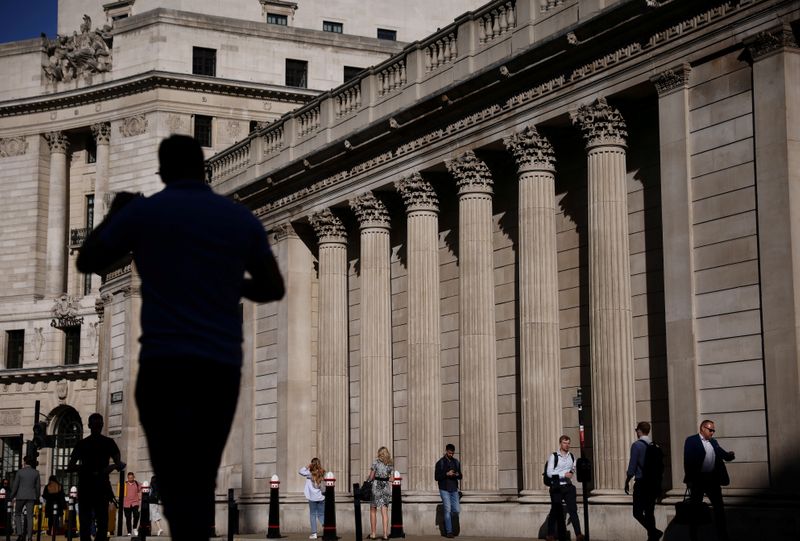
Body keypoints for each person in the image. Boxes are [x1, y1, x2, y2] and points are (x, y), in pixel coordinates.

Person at [77, 134, 285, 541]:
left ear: (165, 172)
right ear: (203, 170)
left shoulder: (148, 213)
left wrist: (115, 215)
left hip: (165, 361)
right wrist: (229, 286)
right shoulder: (238, 218)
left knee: (172, 474)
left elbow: (90, 260)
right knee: (202, 469)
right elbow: (271, 287)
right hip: (218, 364)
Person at [67, 413, 126, 541]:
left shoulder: (82, 444)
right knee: (102, 521)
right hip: (101, 485)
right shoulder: (109, 442)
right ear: (102, 425)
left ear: (88, 425)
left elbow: (70, 467)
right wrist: (109, 468)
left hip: (86, 485)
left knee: (85, 522)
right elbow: (119, 463)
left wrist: (85, 469)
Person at [683, 420, 735, 541]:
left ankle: (723, 536)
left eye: (713, 430)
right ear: (702, 428)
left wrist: (729, 455)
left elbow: (722, 454)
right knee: (695, 511)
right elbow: (688, 461)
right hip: (698, 481)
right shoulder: (691, 440)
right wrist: (689, 479)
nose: (712, 432)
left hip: (712, 481)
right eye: (710, 430)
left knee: (719, 509)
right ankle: (693, 537)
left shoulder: (713, 442)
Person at [625, 421, 662, 541]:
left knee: (637, 512)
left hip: (642, 483)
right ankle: (652, 537)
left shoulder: (637, 445)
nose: (636, 432)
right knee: (650, 512)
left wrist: (627, 480)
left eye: (636, 430)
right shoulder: (655, 445)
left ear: (639, 431)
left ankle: (654, 532)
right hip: (653, 483)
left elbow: (632, 466)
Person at [545, 435, 583, 541]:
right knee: (556, 511)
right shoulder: (554, 456)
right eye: (565, 443)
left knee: (573, 510)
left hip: (568, 487)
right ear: (560, 443)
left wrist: (571, 472)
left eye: (568, 443)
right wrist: (563, 475)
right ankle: (550, 534)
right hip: (556, 487)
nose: (567, 445)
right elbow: (549, 473)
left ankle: (579, 534)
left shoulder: (571, 456)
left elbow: (573, 467)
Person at [434, 443, 462, 539]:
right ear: (446, 451)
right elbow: (436, 477)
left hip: (454, 489)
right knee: (447, 509)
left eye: (452, 453)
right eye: (450, 453)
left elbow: (460, 476)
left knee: (456, 510)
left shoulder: (456, 462)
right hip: (444, 489)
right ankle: (449, 531)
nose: (451, 455)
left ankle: (446, 520)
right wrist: (446, 474)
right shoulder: (440, 463)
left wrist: (456, 474)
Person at [10, 455, 40, 541]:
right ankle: (30, 537)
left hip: (20, 496)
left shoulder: (20, 472)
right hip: (31, 496)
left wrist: (11, 496)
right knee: (30, 516)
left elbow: (15, 486)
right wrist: (37, 497)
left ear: (24, 462)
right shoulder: (36, 472)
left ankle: (20, 534)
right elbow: (37, 487)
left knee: (18, 514)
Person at [366, 447, 393, 540]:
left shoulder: (376, 462)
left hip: (376, 487)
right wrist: (386, 478)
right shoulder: (390, 464)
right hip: (385, 488)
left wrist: (368, 479)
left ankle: (373, 534)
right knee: (384, 511)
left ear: (379, 453)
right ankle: (385, 535)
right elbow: (392, 479)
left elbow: (372, 476)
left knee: (373, 509)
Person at [298, 458, 326, 539]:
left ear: (312, 464)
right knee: (321, 514)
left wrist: (307, 466)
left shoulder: (309, 474)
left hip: (312, 498)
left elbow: (300, 471)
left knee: (312, 515)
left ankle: (314, 533)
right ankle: (327, 527)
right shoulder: (322, 472)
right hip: (321, 497)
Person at [123, 472, 141, 536]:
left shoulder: (137, 483)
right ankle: (129, 532)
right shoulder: (124, 484)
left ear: (134, 477)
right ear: (127, 478)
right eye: (129, 478)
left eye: (131, 477)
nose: (130, 479)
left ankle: (135, 527)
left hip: (135, 502)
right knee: (128, 518)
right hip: (126, 503)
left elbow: (141, 489)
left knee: (136, 515)